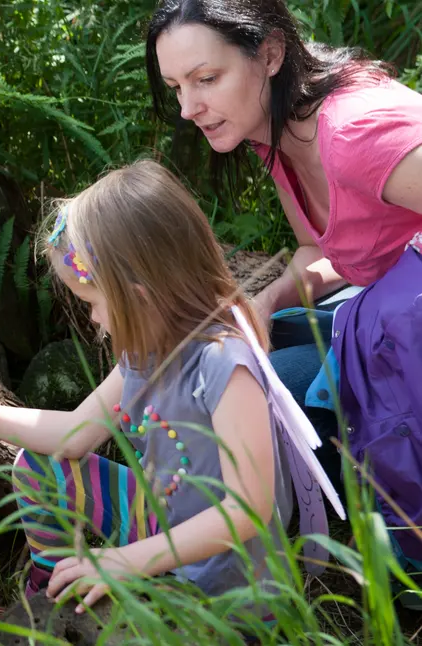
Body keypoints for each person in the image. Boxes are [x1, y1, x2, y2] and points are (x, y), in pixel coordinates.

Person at [0, 160, 335, 634]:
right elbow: (71, 436)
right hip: (163, 525)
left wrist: (126, 561)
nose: (92, 319)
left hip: (231, 585)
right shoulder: (143, 354)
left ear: (139, 295)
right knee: (40, 465)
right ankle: (52, 601)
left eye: (93, 302)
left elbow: (246, 509)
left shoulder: (224, 364)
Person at [145, 0, 422, 595]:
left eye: (205, 79)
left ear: (269, 54)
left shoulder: (353, 134)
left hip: (403, 339)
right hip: (376, 333)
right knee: (256, 403)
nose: (188, 108)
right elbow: (320, 249)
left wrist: (388, 308)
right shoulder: (276, 135)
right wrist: (265, 303)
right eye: (175, 87)